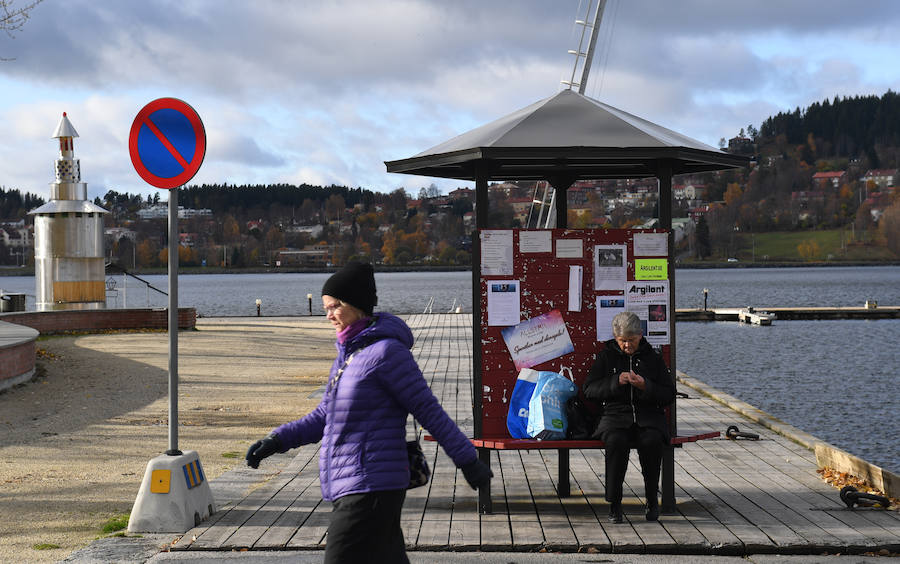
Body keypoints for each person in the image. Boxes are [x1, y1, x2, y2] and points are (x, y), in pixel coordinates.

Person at [245, 261, 492, 563]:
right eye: (325, 307)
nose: (328, 315)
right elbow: (324, 415)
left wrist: (467, 460)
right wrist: (276, 440)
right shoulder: (349, 355)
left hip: (371, 485)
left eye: (335, 306)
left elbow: (428, 410)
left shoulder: (387, 353)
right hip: (353, 483)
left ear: (357, 304)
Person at [582, 311, 675, 523]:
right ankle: (614, 504)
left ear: (640, 336)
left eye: (631, 340)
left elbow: (668, 394)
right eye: (622, 341)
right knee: (616, 441)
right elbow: (589, 390)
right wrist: (616, 381)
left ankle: (652, 500)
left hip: (649, 416)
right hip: (615, 417)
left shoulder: (653, 358)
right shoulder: (606, 357)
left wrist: (645, 386)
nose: (627, 345)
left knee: (652, 441)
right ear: (616, 338)